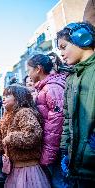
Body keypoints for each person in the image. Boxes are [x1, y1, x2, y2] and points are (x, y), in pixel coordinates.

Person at [0, 85, 50, 188]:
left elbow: (33, 135)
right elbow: (0, 141)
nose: (4, 98)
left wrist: (11, 137)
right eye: (3, 95)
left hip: (28, 168)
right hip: (14, 168)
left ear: (19, 97)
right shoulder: (5, 117)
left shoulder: (24, 112)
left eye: (7, 95)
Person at [57, 22, 95, 186]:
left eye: (64, 47)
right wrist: (66, 149)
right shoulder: (71, 77)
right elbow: (67, 117)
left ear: (83, 39)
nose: (62, 54)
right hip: (77, 164)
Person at [26, 53, 67, 187]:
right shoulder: (44, 87)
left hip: (57, 148)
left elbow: (56, 123)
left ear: (38, 69)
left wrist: (48, 153)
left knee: (59, 182)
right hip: (53, 147)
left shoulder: (52, 88)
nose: (28, 74)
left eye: (29, 70)